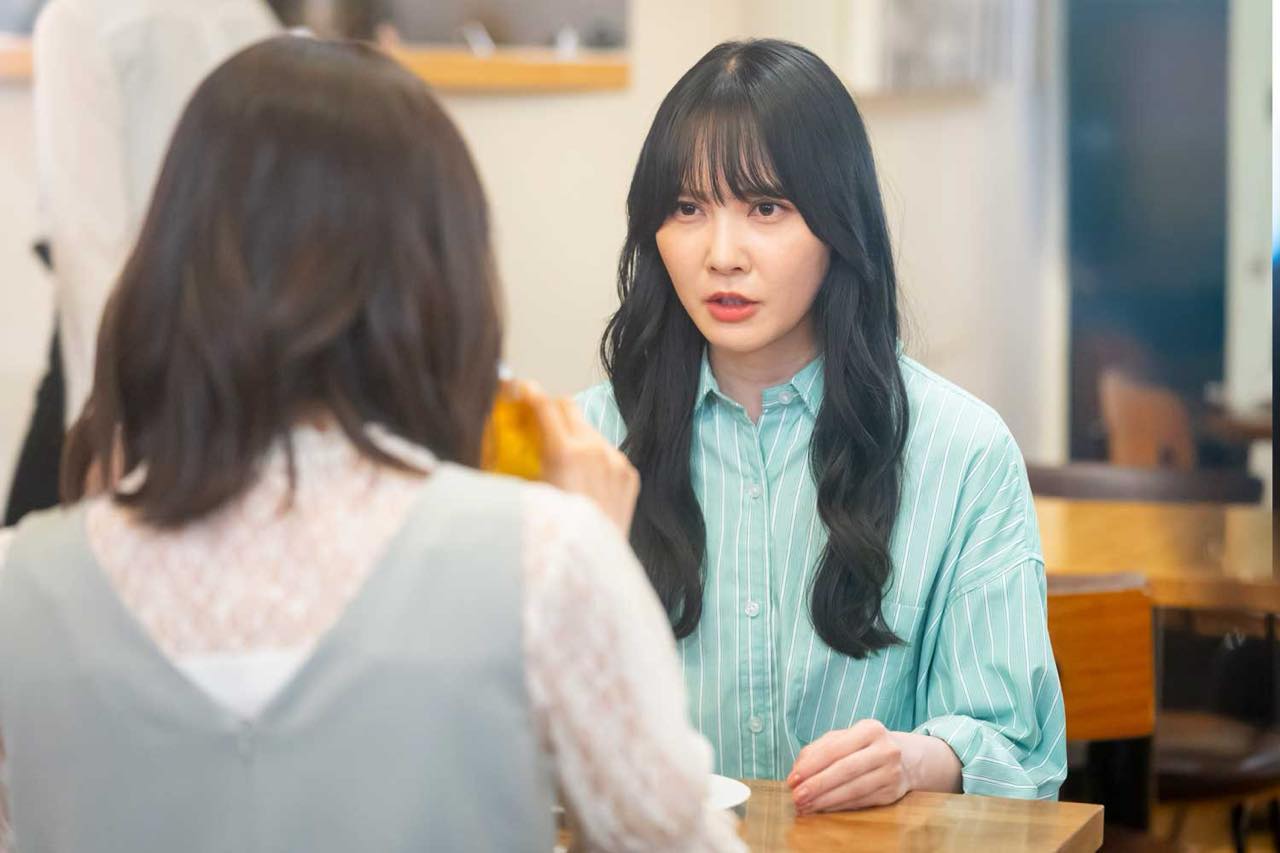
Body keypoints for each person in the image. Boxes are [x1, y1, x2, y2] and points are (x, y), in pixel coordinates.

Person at [0, 36, 742, 852]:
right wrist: (596, 559)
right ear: (441, 280)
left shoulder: (19, 583)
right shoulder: (543, 559)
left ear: (171, 262)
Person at [577, 39, 1067, 813]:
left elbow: (1017, 751)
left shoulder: (961, 451)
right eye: (688, 208)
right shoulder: (583, 445)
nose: (722, 255)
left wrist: (916, 759)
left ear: (840, 221)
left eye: (766, 208)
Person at [5, 0, 282, 525]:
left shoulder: (78, 20)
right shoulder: (247, 13)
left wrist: (103, 423)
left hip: (129, 339)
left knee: (41, 551)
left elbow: (87, 241)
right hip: (239, 336)